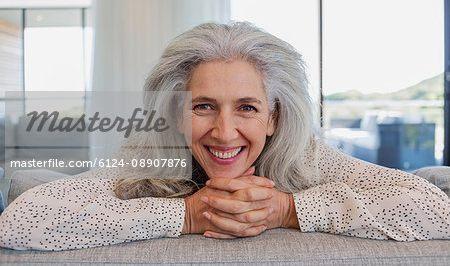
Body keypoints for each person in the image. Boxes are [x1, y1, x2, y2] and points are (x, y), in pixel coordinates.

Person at [0, 22, 449, 251]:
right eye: (204, 106)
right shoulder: (151, 154)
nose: (225, 131)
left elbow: (437, 209)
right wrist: (189, 215)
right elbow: (19, 222)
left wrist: (285, 208)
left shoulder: (308, 155)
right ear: (178, 115)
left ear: (273, 118)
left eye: (247, 108)